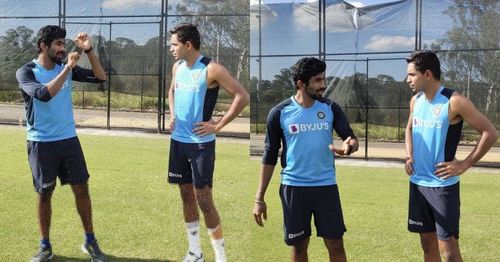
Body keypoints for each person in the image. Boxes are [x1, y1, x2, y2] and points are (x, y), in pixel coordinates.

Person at [253, 57, 359, 262]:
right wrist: (259, 198)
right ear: (301, 84)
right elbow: (269, 156)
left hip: (326, 187)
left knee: (336, 245)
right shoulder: (279, 113)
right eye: (317, 80)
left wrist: (349, 147)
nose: (323, 85)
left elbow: (350, 137)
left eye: (323, 79)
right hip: (294, 188)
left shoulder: (330, 108)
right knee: (299, 248)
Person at [16, 25, 107, 262]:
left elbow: (100, 77)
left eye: (63, 44)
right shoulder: (27, 72)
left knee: (82, 189)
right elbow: (44, 94)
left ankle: (90, 241)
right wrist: (68, 67)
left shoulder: (63, 68)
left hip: (68, 140)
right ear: (43, 46)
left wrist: (88, 51)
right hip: (41, 143)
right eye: (56, 44)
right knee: (45, 194)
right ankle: (45, 246)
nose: (61, 49)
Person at [404, 51, 498, 261]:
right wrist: (409, 156)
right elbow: (408, 129)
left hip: (442, 188)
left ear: (427, 74)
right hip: (418, 184)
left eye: (411, 74)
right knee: (427, 245)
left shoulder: (454, 101)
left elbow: (490, 132)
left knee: (448, 251)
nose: (407, 79)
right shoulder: (415, 101)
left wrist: (464, 164)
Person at [167, 23, 249, 262]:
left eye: (174, 44)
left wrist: (218, 125)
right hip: (178, 142)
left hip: (201, 144)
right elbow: (171, 91)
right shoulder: (177, 67)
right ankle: (195, 252)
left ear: (188, 45)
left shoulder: (212, 69)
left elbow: (242, 95)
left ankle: (220, 257)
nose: (172, 49)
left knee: (204, 199)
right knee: (185, 194)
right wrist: (172, 115)